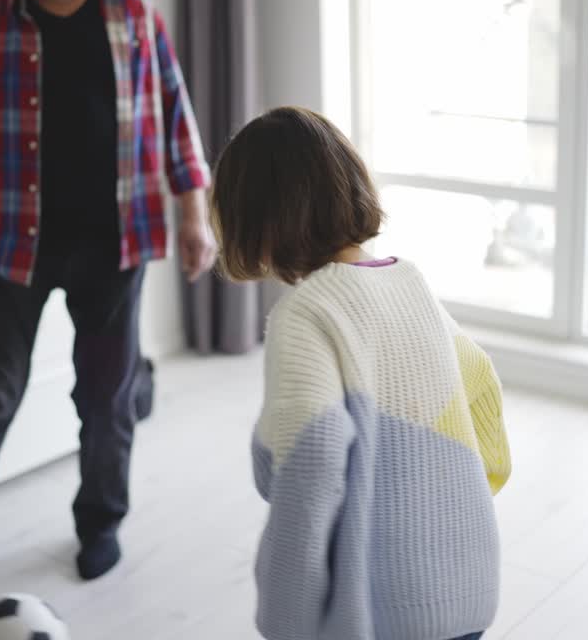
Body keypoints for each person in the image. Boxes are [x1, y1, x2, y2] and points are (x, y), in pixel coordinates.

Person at [0, 0, 214, 637]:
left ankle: (100, 523)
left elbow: (176, 119)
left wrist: (194, 215)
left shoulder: (134, 17)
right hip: (15, 248)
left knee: (107, 402)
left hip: (117, 243)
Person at [210, 106, 511, 640]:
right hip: (470, 585)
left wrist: (285, 620)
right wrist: (462, 490)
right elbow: (479, 378)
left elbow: (313, 455)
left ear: (254, 222)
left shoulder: (307, 313)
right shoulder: (409, 282)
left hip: (386, 610)